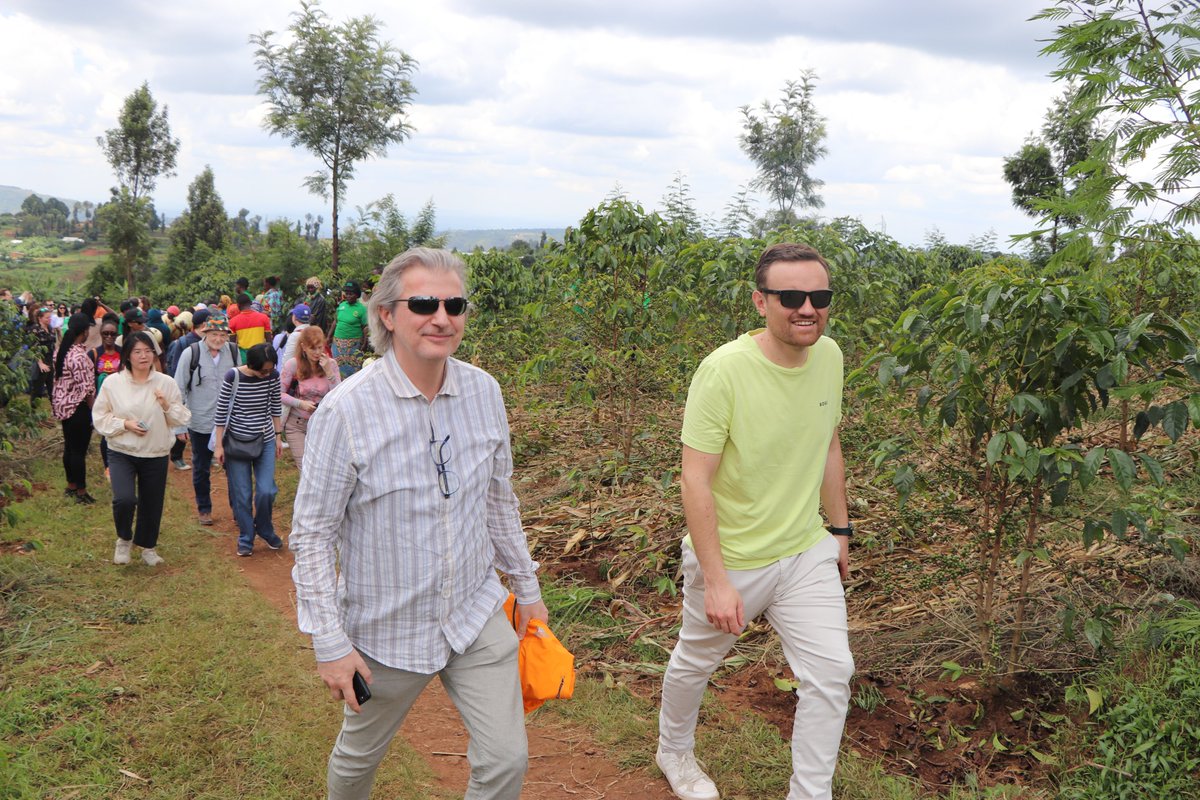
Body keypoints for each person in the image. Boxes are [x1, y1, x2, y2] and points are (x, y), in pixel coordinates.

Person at [290, 247, 547, 800]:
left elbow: (499, 502)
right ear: (387, 314)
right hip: (386, 628)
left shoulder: (484, 392)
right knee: (358, 761)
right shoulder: (346, 411)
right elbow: (312, 535)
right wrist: (330, 643)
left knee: (507, 761)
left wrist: (527, 589)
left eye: (454, 304)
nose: (442, 317)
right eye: (424, 303)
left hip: (474, 611)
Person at [656, 243, 855, 800]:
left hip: (803, 549)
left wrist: (839, 530)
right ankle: (673, 751)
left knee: (832, 674)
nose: (807, 308)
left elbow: (829, 445)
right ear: (759, 302)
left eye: (819, 297)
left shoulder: (831, 357)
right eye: (790, 297)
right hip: (734, 556)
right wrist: (716, 580)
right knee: (696, 660)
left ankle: (810, 793)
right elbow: (694, 478)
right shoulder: (724, 372)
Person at [92, 331, 191, 566]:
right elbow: (99, 417)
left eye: (148, 351)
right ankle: (123, 539)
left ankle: (148, 547)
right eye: (137, 352)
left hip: (155, 452)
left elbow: (182, 418)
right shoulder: (113, 383)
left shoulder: (165, 383)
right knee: (124, 499)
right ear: (127, 355)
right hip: (121, 451)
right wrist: (125, 424)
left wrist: (166, 405)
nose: (144, 356)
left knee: (152, 502)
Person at [213, 343, 283, 556]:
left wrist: (278, 437)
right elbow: (221, 411)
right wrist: (218, 445)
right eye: (262, 370)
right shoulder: (233, 377)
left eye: (270, 370)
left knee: (266, 490)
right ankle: (246, 537)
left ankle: (264, 527)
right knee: (242, 494)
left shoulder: (272, 376)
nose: (266, 374)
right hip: (236, 442)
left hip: (265, 439)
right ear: (251, 365)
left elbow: (275, 405)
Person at [174, 313, 239, 526]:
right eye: (214, 334)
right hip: (200, 421)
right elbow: (179, 390)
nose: (218, 339)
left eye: (222, 335)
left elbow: (240, 384)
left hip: (229, 423)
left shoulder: (233, 352)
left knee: (234, 467)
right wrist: (179, 425)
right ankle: (204, 509)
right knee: (201, 466)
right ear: (204, 332)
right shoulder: (190, 353)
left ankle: (238, 509)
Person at [51, 313, 98, 504]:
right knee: (79, 451)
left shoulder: (61, 351)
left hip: (64, 406)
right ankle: (81, 491)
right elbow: (87, 389)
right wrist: (94, 412)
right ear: (84, 332)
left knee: (70, 448)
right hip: (78, 408)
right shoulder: (80, 357)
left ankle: (71, 485)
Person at [279, 325, 339, 472]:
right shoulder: (293, 365)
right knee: (306, 469)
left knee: (323, 469)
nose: (318, 352)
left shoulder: (330, 364)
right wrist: (300, 403)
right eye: (313, 348)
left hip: (322, 425)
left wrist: (328, 372)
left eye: (320, 347)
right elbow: (279, 393)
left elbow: (338, 395)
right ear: (303, 347)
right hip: (297, 424)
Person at [89, 314, 122, 480]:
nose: (109, 337)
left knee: (119, 431)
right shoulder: (94, 354)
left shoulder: (123, 353)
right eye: (106, 334)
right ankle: (108, 466)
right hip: (101, 399)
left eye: (112, 334)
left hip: (121, 399)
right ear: (101, 334)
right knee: (105, 433)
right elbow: (88, 381)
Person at [330, 280, 367, 378]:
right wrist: (329, 336)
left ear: (357, 295)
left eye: (351, 294)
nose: (349, 296)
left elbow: (365, 328)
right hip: (337, 344)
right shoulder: (342, 305)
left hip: (353, 345)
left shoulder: (362, 309)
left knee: (352, 369)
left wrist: (364, 343)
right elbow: (335, 321)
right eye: (347, 294)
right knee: (337, 368)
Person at [228, 293, 272, 362]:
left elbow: (232, 344)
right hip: (260, 355)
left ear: (238, 305)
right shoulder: (264, 318)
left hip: (244, 357)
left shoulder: (233, 321)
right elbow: (269, 340)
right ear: (251, 303)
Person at [28, 306, 56, 399]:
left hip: (50, 359)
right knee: (37, 388)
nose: (49, 319)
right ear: (40, 318)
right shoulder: (35, 329)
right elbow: (34, 347)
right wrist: (40, 363)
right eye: (47, 317)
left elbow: (54, 343)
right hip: (40, 360)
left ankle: (56, 410)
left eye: (50, 317)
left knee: (51, 387)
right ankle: (33, 410)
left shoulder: (50, 328)